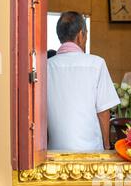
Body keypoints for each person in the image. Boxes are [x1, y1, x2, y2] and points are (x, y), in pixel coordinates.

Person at [47, 11, 120, 152]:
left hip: (54, 152)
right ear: (81, 35)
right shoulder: (96, 64)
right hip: (90, 154)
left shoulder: (46, 67)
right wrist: (106, 145)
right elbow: (104, 112)